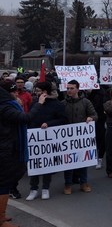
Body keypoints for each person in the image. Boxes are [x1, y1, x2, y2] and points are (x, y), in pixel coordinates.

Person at [25, 82, 67, 201]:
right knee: (34, 163)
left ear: (45, 92)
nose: (36, 93)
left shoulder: (56, 104)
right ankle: (33, 189)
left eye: (38, 90)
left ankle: (45, 188)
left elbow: (63, 119)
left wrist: (49, 124)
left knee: (47, 164)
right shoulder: (35, 103)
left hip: (49, 138)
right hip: (34, 137)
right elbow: (30, 117)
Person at [0, 81, 31, 227]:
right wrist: (40, 104)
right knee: (4, 184)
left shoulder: (7, 105)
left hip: (7, 148)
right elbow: (24, 118)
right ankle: (0, 219)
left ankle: (2, 215)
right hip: (5, 151)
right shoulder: (6, 107)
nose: (16, 94)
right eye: (13, 92)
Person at [62, 80, 97, 195]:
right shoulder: (63, 103)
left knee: (82, 160)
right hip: (67, 137)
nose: (69, 91)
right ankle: (68, 184)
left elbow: (94, 115)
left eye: (71, 88)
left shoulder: (85, 102)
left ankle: (84, 183)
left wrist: (90, 118)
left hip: (81, 137)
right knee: (68, 161)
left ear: (78, 89)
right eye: (68, 88)